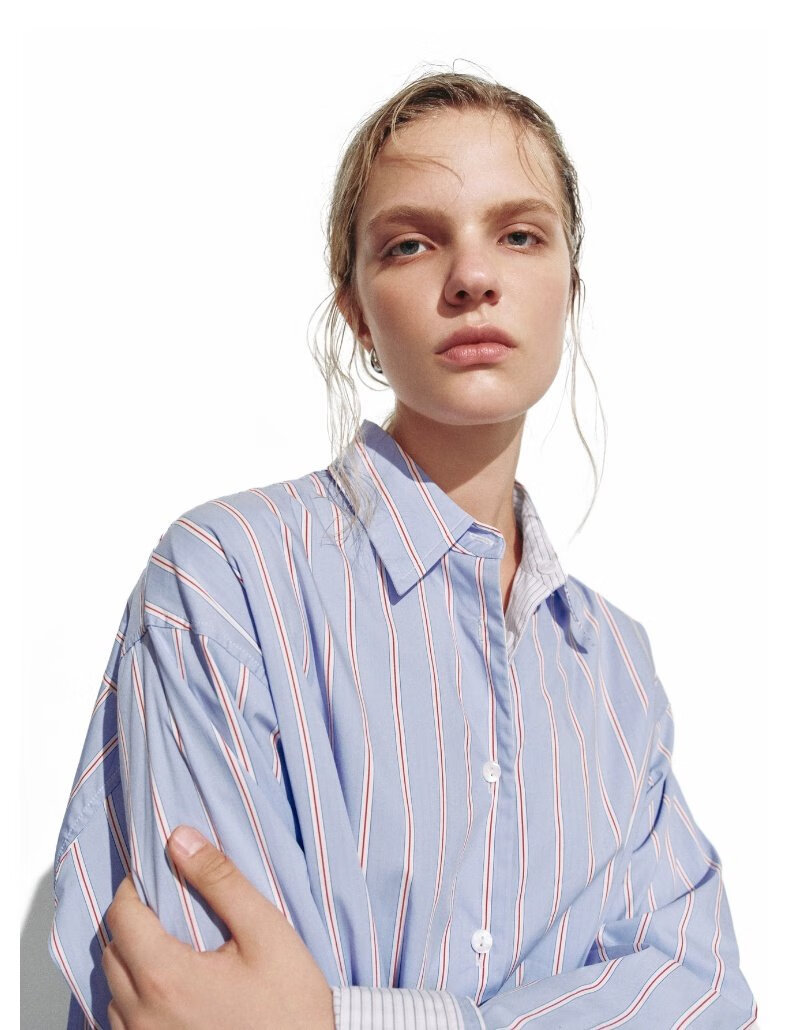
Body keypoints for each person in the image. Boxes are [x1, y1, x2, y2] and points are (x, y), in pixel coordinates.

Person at [49, 70, 758, 1029]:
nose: (473, 278)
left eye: (520, 235)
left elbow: (702, 990)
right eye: (412, 243)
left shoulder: (614, 667)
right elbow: (207, 998)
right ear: (355, 311)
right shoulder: (225, 579)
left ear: (570, 287)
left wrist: (352, 1018)